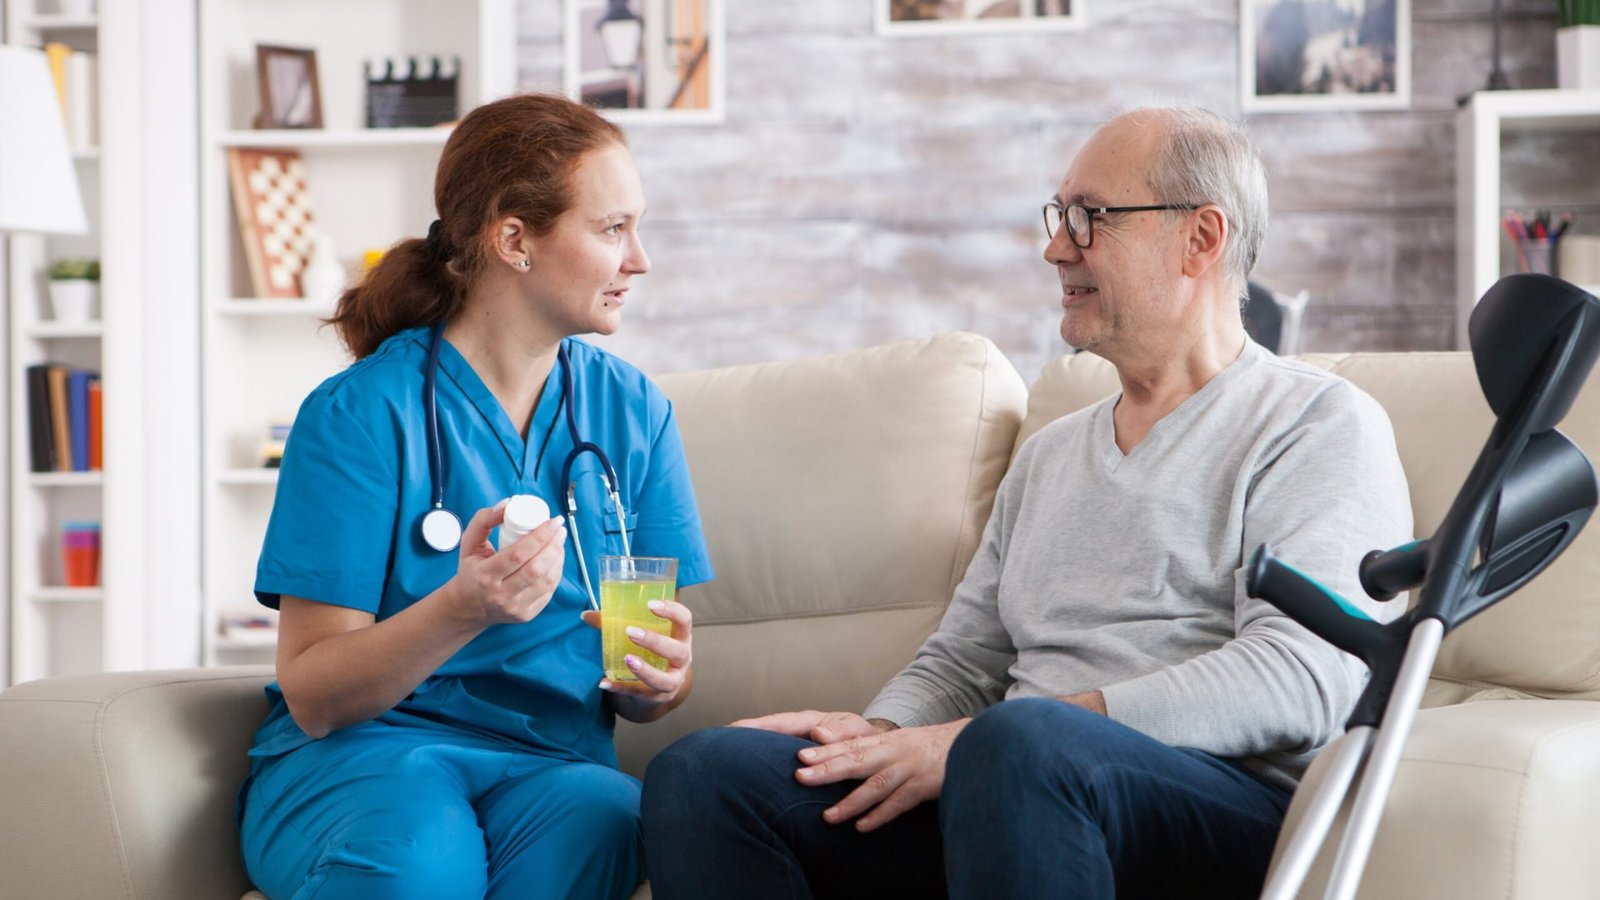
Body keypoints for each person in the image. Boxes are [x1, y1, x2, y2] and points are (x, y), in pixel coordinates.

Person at [639, 106, 1412, 899]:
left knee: (1023, 742)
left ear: (1202, 238)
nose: (1055, 247)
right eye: (1059, 216)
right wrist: (878, 736)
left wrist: (990, 740)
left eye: (1090, 219)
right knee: (709, 774)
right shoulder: (1050, 455)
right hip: (1008, 788)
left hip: (1214, 808)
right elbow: (965, 660)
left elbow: (1305, 677)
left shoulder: (1317, 422)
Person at [236, 93, 714, 900]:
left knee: (610, 821)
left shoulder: (633, 415)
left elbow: (643, 693)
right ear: (515, 240)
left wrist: (661, 683)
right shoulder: (359, 414)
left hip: (556, 764)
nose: (640, 260)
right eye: (612, 229)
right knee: (420, 865)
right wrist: (462, 608)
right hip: (366, 755)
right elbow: (316, 696)